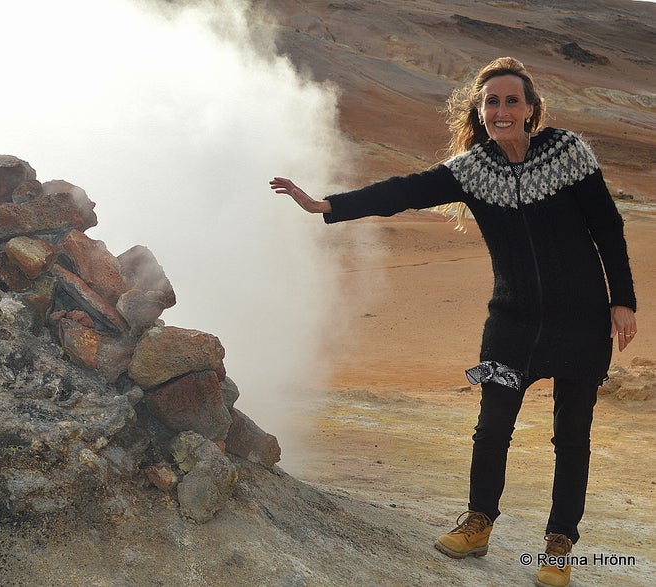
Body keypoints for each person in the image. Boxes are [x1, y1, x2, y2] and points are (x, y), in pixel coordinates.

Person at [269, 56, 637, 587]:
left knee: (571, 436)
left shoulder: (568, 152)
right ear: (480, 112)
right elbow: (402, 192)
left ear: (531, 109)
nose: (502, 109)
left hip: (580, 321)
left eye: (513, 100)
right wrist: (325, 204)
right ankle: (479, 521)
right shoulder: (472, 169)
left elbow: (608, 225)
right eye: (492, 101)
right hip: (512, 322)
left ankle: (559, 547)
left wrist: (621, 300)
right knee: (492, 430)